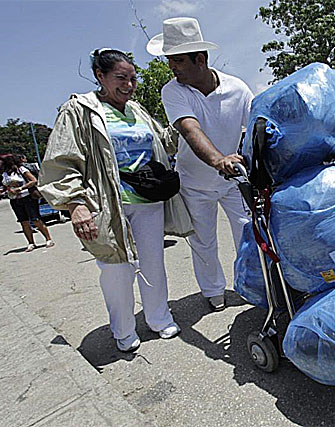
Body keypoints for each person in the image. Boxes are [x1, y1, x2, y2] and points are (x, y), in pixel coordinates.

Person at [39, 48, 193, 352]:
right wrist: (75, 204)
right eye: (121, 78)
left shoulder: (137, 110)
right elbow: (62, 159)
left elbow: (161, 142)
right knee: (116, 269)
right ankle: (122, 329)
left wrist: (184, 124)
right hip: (107, 203)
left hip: (147, 200)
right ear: (101, 76)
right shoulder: (79, 110)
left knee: (153, 264)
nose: (129, 85)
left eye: (133, 78)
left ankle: (159, 318)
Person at [147, 17, 253, 311]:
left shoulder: (238, 88)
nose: (173, 67)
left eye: (178, 60)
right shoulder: (173, 91)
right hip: (195, 183)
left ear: (200, 58)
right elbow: (190, 129)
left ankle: (251, 284)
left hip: (232, 180)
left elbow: (255, 127)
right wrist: (219, 159)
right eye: (171, 61)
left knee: (248, 233)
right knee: (204, 242)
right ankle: (214, 291)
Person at [0, 153, 54, 252]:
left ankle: (48, 239)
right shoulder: (4, 174)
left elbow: (33, 180)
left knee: (35, 219)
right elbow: (5, 186)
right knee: (23, 222)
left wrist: (20, 188)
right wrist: (3, 190)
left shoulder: (21, 169)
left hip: (27, 197)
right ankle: (31, 243)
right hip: (15, 200)